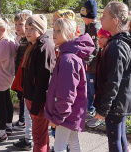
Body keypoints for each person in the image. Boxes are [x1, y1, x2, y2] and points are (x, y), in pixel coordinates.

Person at [44, 18, 95, 152]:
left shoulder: (68, 59)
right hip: (72, 111)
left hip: (66, 113)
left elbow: (67, 93)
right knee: (73, 142)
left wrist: (58, 116)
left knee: (60, 145)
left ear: (71, 34)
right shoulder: (69, 55)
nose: (54, 34)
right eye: (54, 30)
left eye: (59, 31)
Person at [93, 1, 131, 152]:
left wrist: (103, 109)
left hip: (115, 104)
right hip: (118, 103)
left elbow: (113, 82)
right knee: (119, 139)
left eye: (104, 16)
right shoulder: (118, 43)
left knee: (114, 142)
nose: (101, 19)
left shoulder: (117, 47)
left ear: (115, 20)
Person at [22, 14, 56, 151]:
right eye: (26, 27)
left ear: (41, 29)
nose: (27, 31)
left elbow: (44, 82)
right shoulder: (34, 45)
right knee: (41, 136)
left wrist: (36, 105)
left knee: (38, 137)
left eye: (32, 28)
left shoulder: (44, 49)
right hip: (32, 98)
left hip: (39, 102)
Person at [11, 10, 35, 150]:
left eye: (21, 24)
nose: (18, 27)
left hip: (25, 76)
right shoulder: (21, 39)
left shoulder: (28, 41)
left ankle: (27, 131)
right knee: (22, 100)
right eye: (16, 25)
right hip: (19, 74)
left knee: (26, 103)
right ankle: (22, 122)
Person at [80, 0, 101, 121]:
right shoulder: (88, 26)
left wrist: (88, 60)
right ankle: (88, 109)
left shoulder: (94, 27)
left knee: (92, 89)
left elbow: (95, 48)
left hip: (93, 66)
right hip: (88, 64)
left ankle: (91, 110)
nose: (82, 17)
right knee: (87, 88)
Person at [86, 28, 111, 128]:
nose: (99, 40)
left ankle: (97, 114)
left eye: (102, 37)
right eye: (98, 38)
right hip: (94, 75)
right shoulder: (102, 51)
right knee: (91, 92)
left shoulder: (109, 52)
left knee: (92, 93)